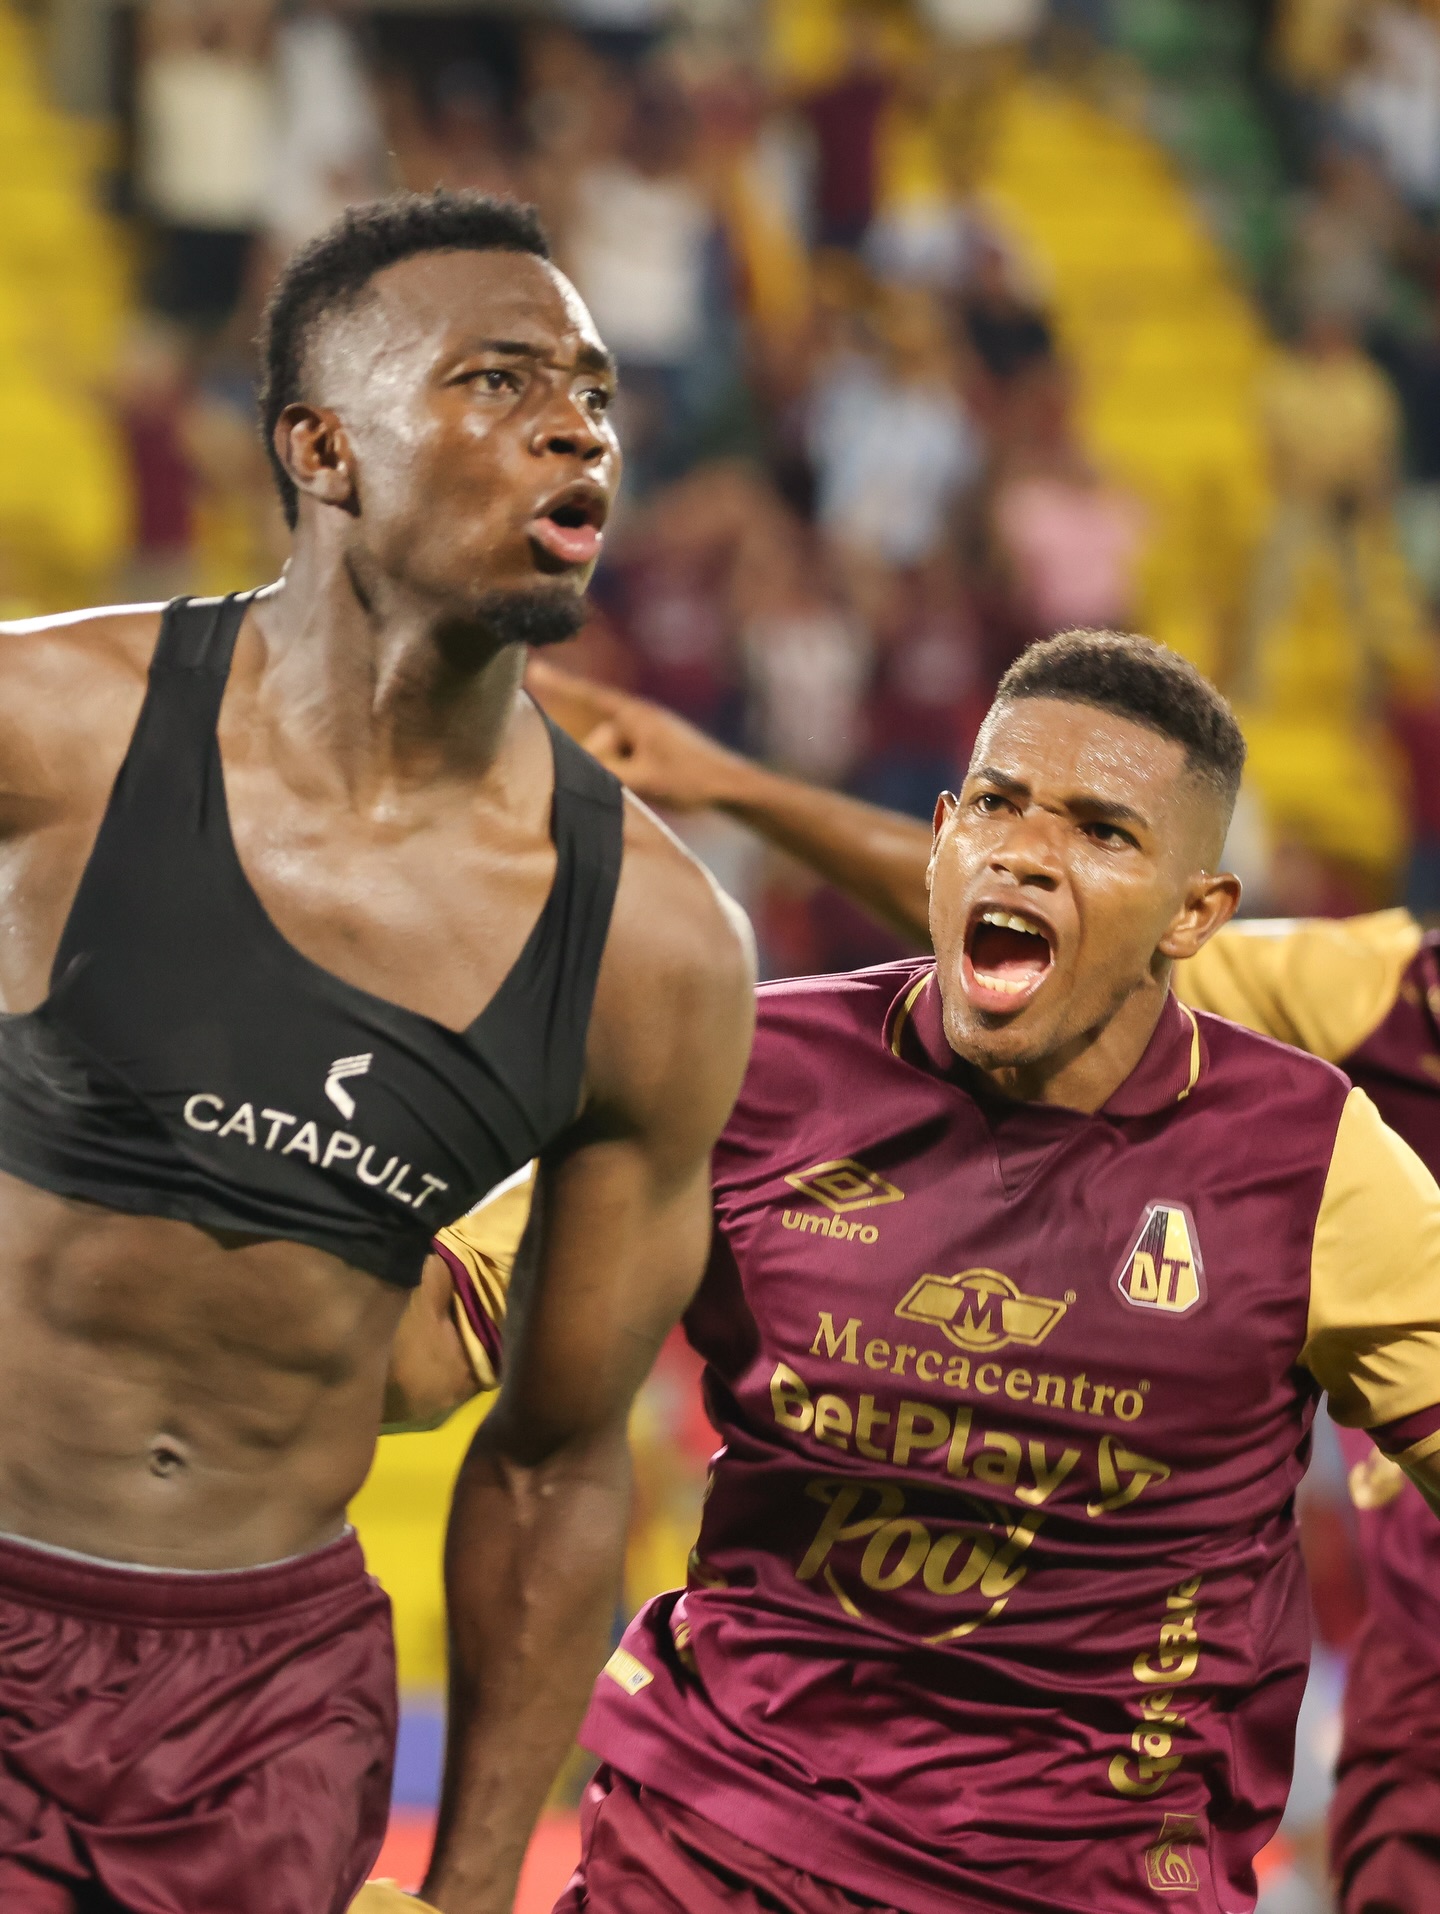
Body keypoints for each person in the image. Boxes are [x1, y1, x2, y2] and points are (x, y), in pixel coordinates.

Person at [0, 190, 753, 1914]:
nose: (578, 424)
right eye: (499, 380)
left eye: (594, 389)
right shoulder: (48, 730)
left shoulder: (648, 946)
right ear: (325, 447)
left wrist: (474, 1879)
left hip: (253, 1720)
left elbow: (561, 1464)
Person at [495, 629, 1440, 1914]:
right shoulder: (749, 1066)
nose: (1027, 853)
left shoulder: (1315, 1156)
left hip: (1083, 1871)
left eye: (1104, 831)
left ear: (1197, 917)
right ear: (943, 831)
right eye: (995, 807)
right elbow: (430, 1325)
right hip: (715, 1838)